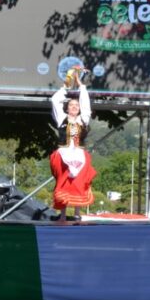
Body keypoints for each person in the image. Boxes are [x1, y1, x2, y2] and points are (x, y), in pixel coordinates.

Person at [49, 70, 96, 222]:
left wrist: (81, 85)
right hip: (64, 153)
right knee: (64, 182)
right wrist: (66, 86)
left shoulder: (83, 120)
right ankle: (62, 214)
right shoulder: (62, 119)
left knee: (79, 182)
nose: (75, 107)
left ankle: (76, 212)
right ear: (67, 108)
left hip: (79, 155)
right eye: (71, 105)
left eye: (76, 105)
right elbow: (55, 101)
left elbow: (86, 105)